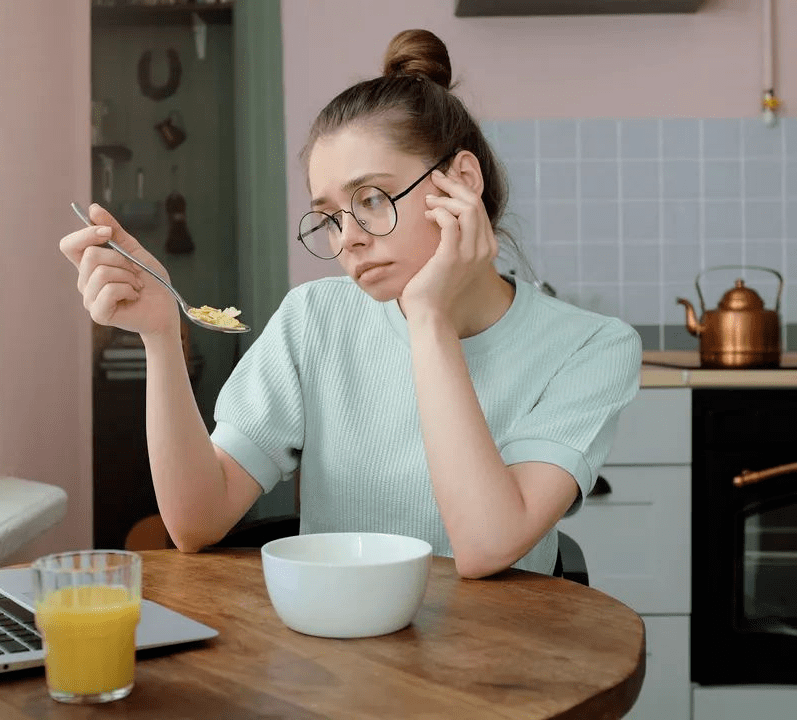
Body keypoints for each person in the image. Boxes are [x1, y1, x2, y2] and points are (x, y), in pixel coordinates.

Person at [60, 29, 641, 578]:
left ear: (462, 181)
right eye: (330, 217)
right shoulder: (315, 319)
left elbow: (486, 545)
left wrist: (429, 320)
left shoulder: (592, 348)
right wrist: (160, 335)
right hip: (336, 656)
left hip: (492, 674)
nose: (348, 239)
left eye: (371, 198)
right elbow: (195, 522)